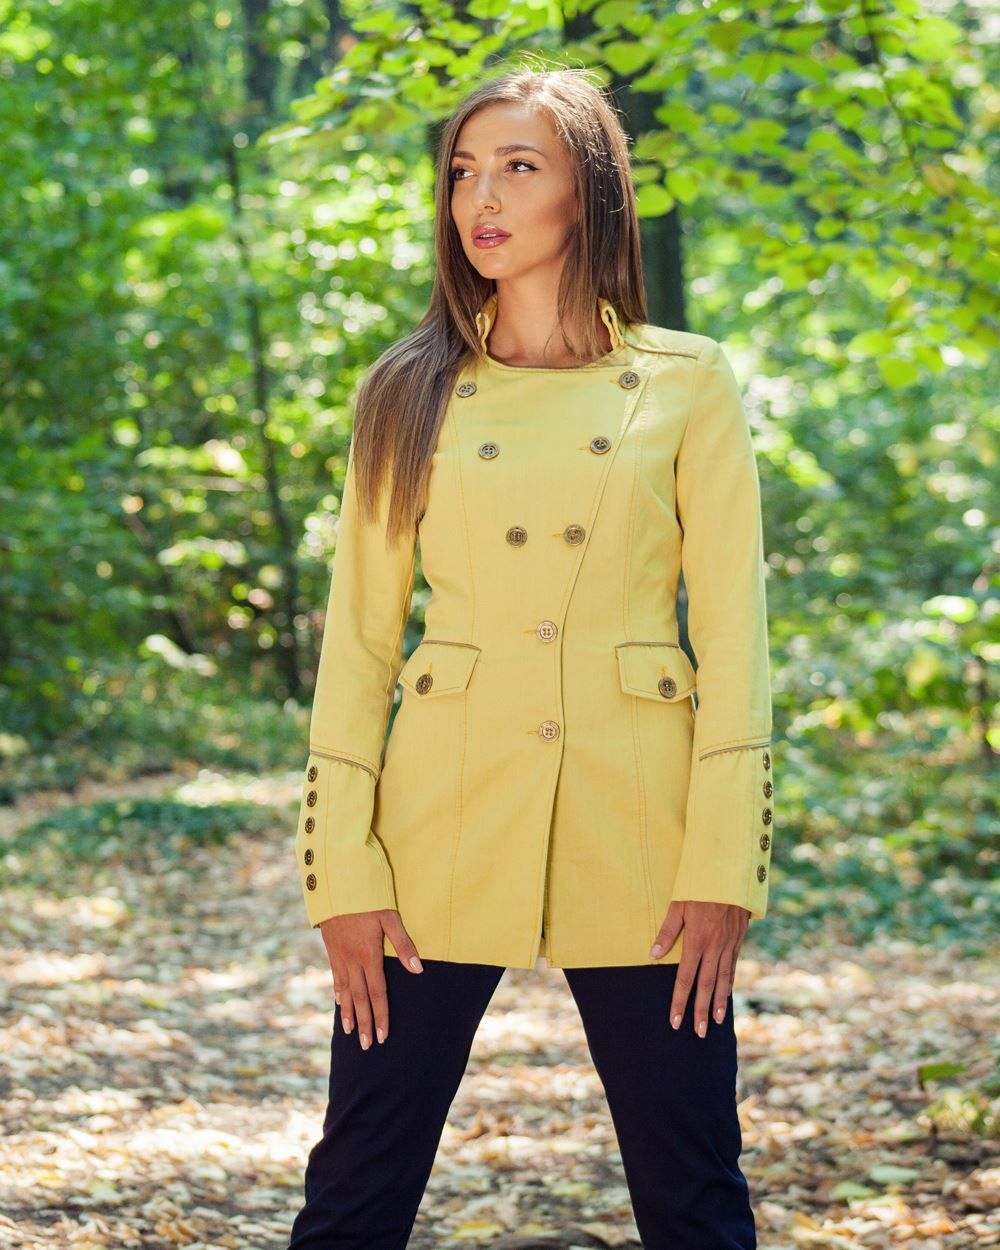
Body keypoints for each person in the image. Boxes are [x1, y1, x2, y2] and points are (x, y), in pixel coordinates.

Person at [286, 64, 773, 1250]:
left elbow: (734, 634)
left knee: (694, 1187)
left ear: (588, 193)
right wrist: (338, 869)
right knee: (356, 1186)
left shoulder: (686, 380)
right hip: (436, 819)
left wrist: (726, 858)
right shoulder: (407, 388)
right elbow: (358, 643)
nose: (482, 199)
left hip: (644, 823)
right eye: (463, 171)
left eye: (518, 167)